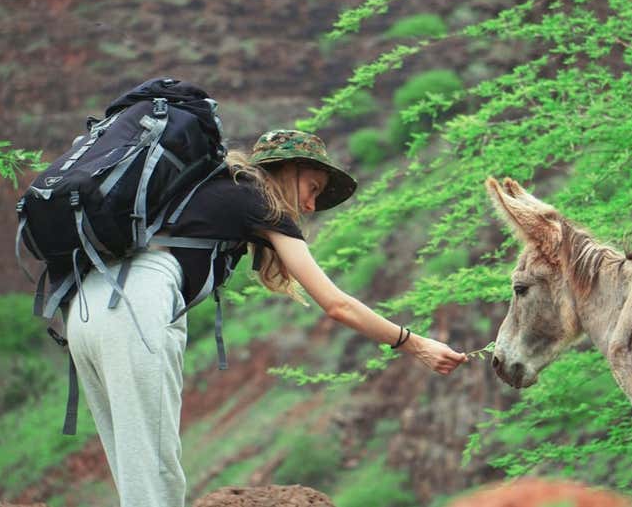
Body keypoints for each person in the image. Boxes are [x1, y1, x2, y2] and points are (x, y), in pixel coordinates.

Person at [65, 129, 468, 507]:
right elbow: (336, 304)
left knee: (133, 463)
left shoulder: (210, 188)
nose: (311, 205)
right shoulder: (257, 199)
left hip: (86, 305)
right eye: (312, 188)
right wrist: (416, 344)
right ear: (285, 169)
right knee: (155, 469)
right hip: (140, 304)